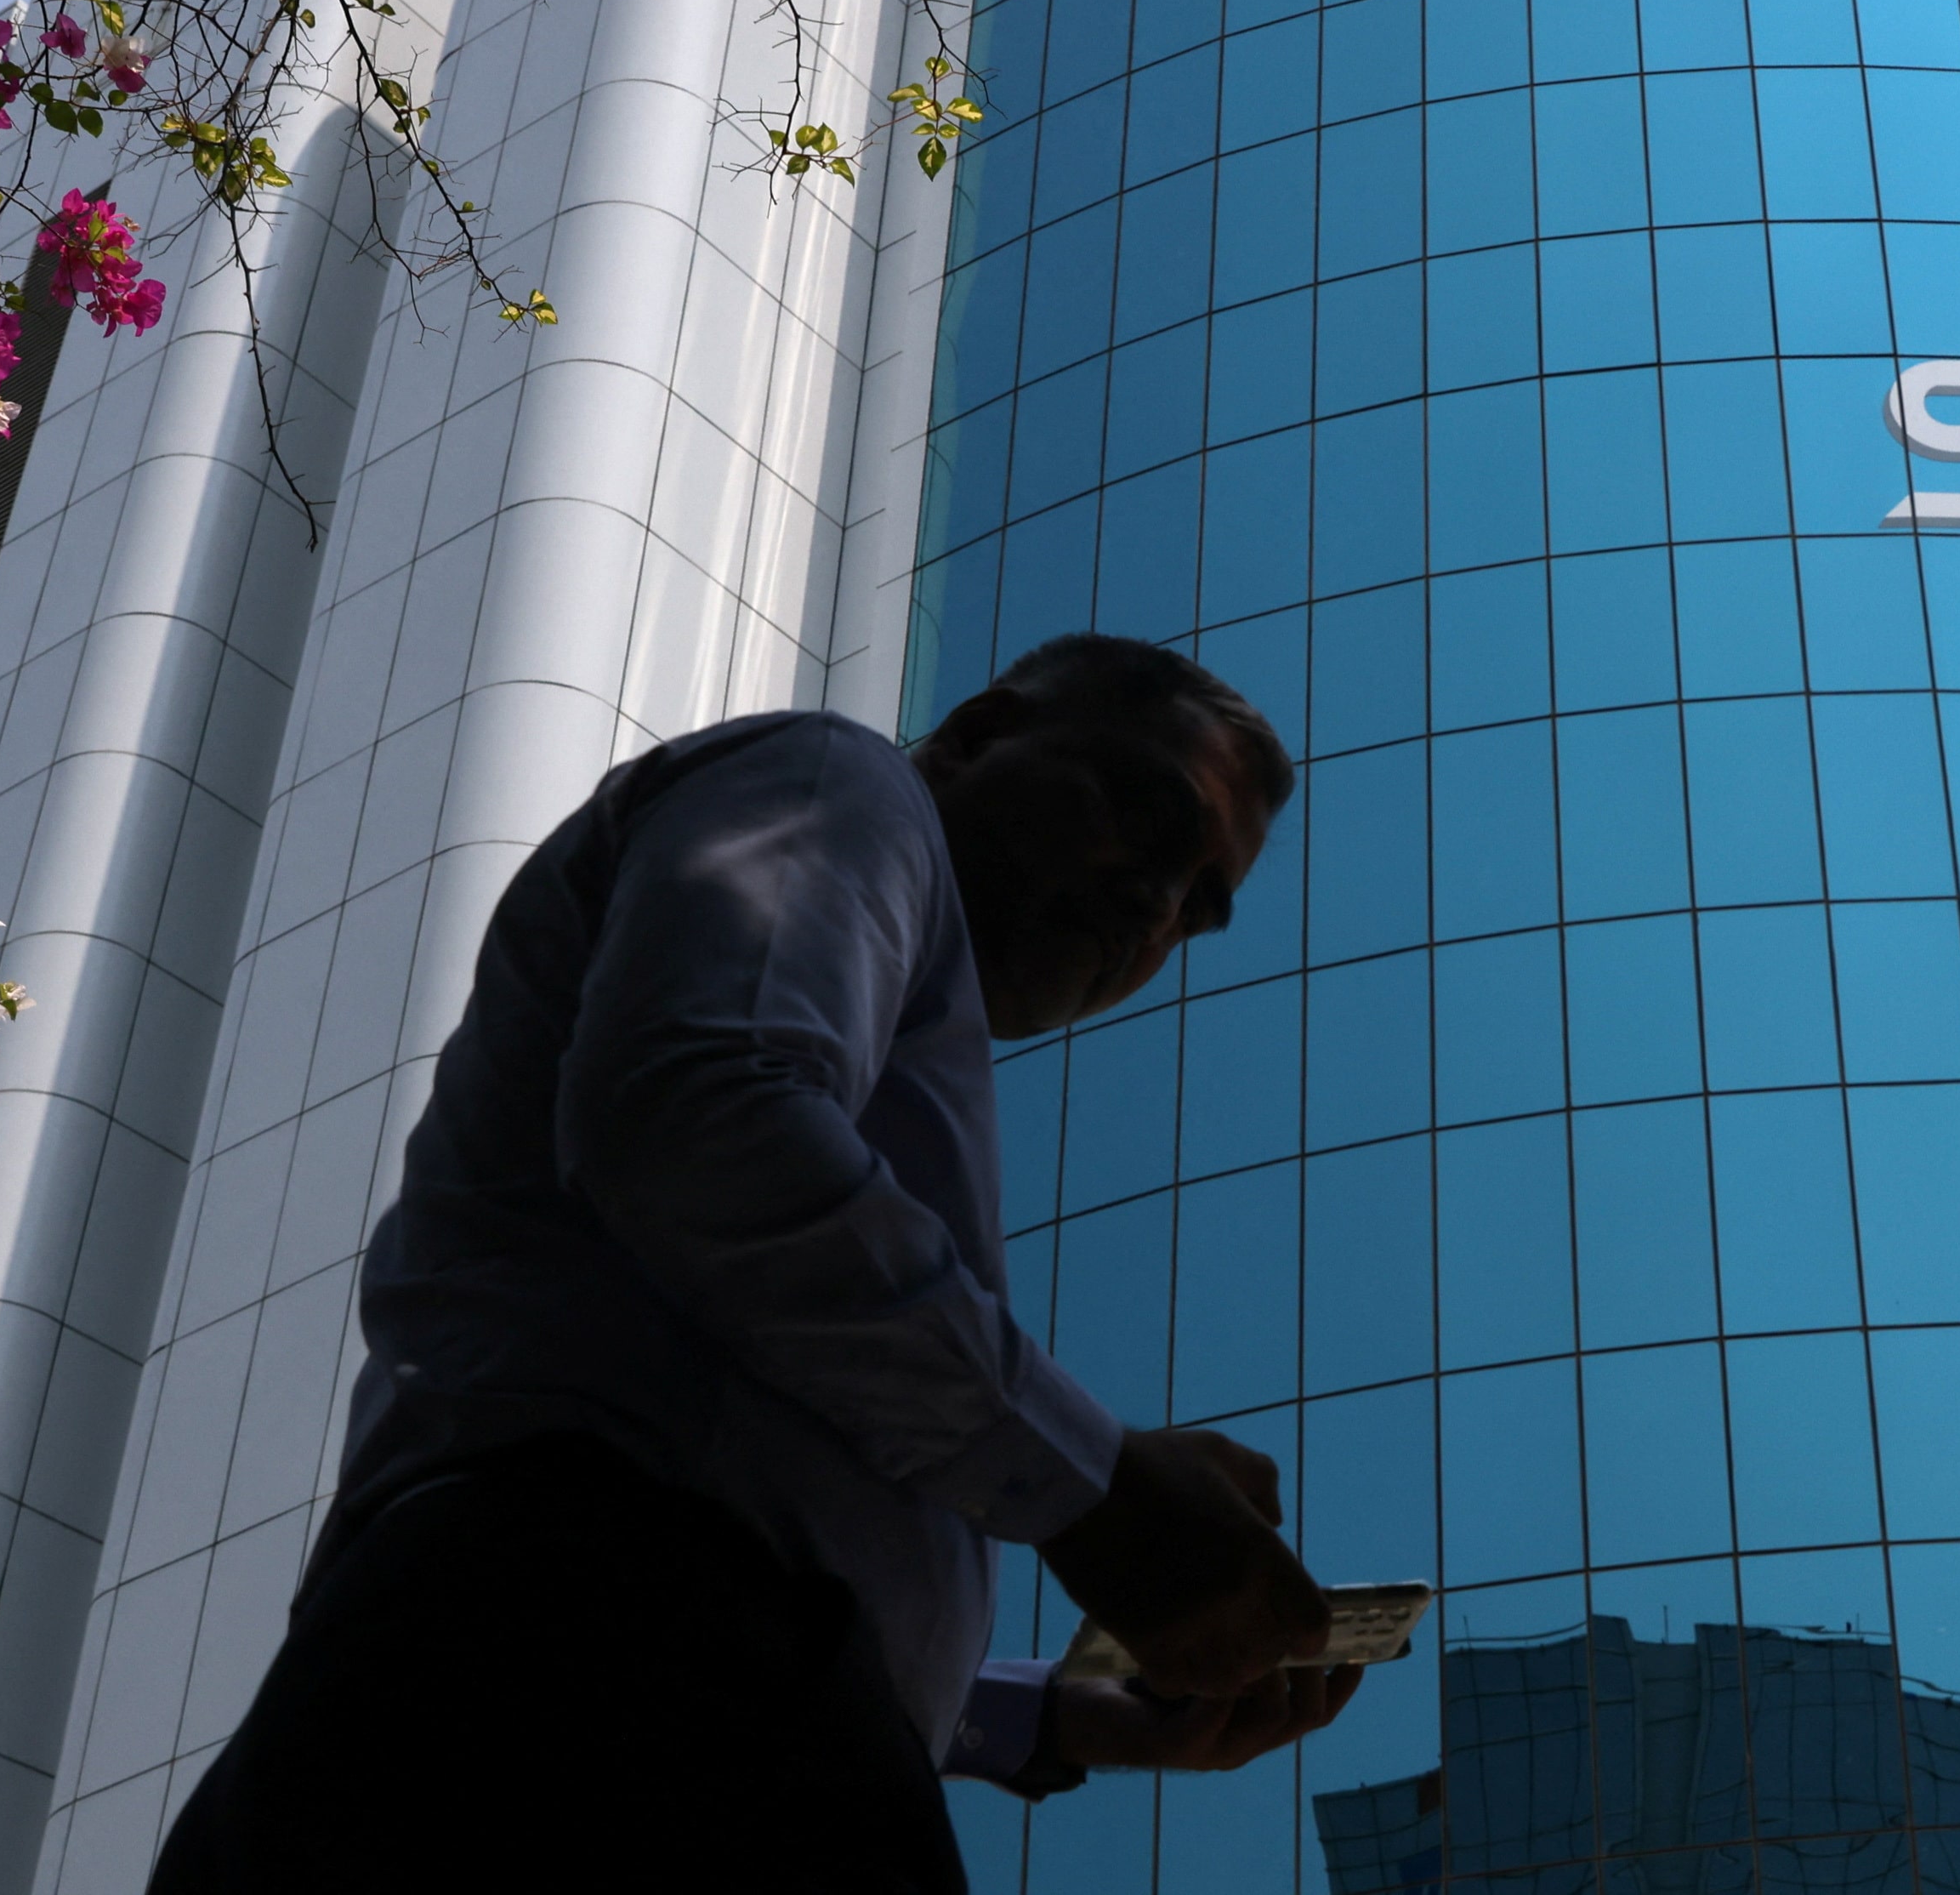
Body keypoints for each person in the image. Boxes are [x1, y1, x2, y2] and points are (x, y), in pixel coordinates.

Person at [148, 634, 1361, 1891]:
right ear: (977, 735)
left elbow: (752, 1525)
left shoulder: (891, 998)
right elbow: (697, 1117)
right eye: (1147, 817)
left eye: (1196, 907)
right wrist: (1094, 1489)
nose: (1156, 905)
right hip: (582, 1674)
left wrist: (1049, 1717)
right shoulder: (840, 780)